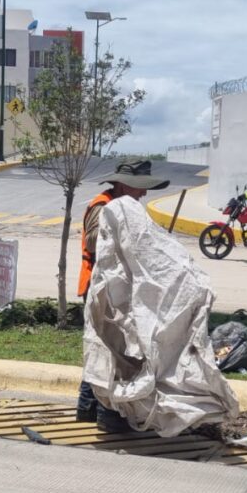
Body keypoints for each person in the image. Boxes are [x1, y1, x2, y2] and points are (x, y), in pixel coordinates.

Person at [76, 160, 171, 429]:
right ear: (122, 184)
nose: (143, 193)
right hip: (102, 290)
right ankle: (105, 413)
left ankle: (89, 409)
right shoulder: (103, 206)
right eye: (140, 187)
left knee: (107, 350)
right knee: (108, 351)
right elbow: (94, 243)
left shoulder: (126, 206)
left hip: (117, 290)